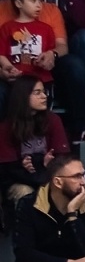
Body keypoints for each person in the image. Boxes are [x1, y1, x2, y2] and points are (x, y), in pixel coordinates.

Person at [2, 0, 85, 139]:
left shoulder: (47, 24)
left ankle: (79, 131)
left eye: (40, 0)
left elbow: (58, 48)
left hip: (42, 78)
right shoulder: (6, 26)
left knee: (42, 115)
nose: (39, 5)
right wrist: (6, 67)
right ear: (18, 2)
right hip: (15, 78)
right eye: (33, 1)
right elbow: (1, 52)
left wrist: (51, 56)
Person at [0, 77, 67, 205]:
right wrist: (33, 166)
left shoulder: (53, 120)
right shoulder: (6, 127)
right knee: (26, 192)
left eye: (44, 92)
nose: (44, 96)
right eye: (37, 93)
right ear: (23, 97)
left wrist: (45, 167)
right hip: (19, 181)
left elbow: (62, 158)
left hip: (49, 177)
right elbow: (8, 169)